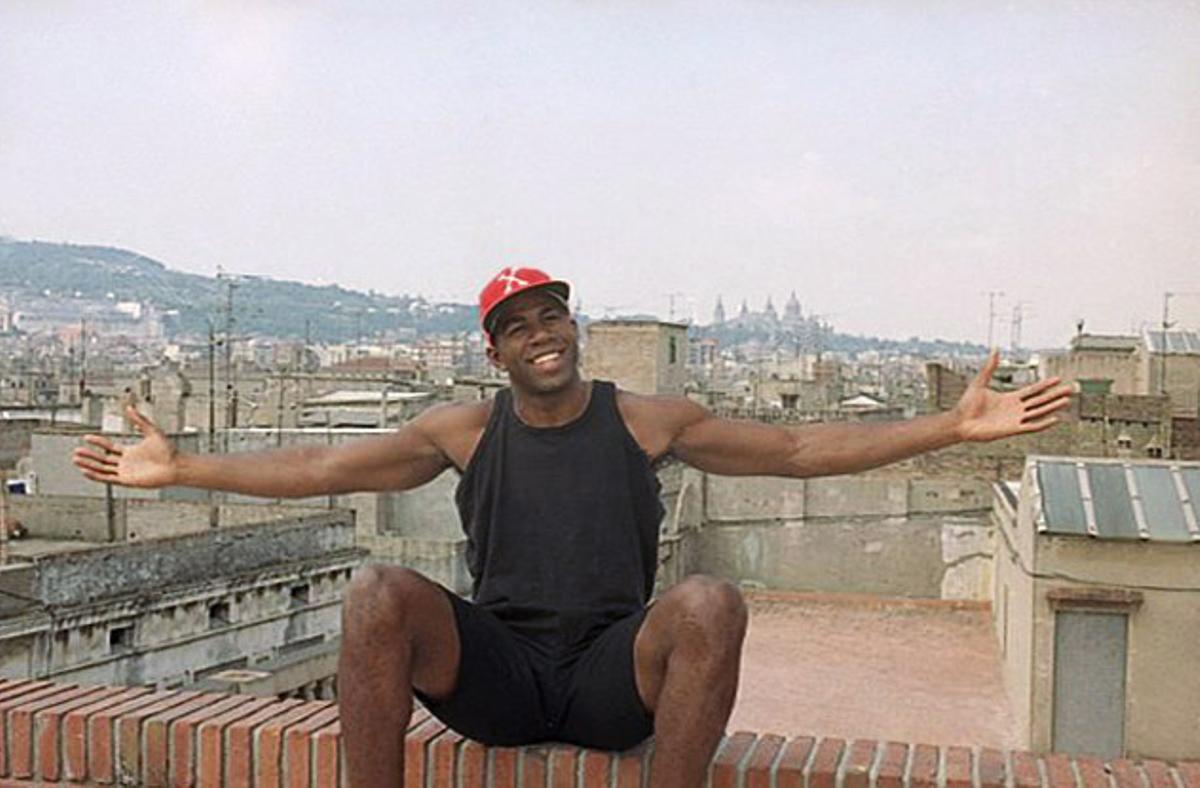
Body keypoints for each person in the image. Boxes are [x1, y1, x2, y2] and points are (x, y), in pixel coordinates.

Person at [72, 266, 1073, 787]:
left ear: (573, 326)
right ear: (495, 348)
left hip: (609, 676)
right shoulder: (463, 429)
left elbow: (801, 450)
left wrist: (949, 422)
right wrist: (186, 464)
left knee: (709, 600)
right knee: (377, 590)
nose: (540, 335)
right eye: (518, 325)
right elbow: (320, 466)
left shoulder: (646, 419)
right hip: (499, 673)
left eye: (552, 316)